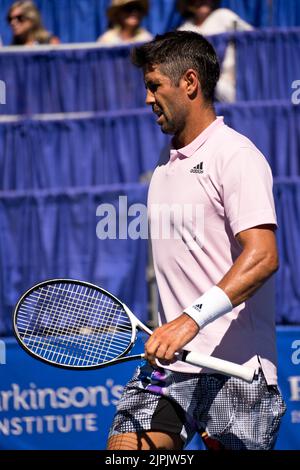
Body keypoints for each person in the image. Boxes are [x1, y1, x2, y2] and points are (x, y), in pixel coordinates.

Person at [107, 31, 286, 451]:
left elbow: (263, 257)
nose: (148, 99)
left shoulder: (235, 156)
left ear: (189, 83)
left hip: (236, 368)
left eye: (155, 86)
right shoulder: (164, 164)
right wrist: (175, 331)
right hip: (170, 369)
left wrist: (188, 321)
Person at [177, 0, 253, 102]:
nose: (204, 2)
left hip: (232, 84)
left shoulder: (224, 16)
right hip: (200, 91)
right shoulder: (183, 30)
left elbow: (252, 38)